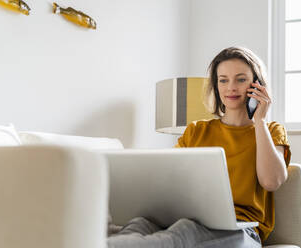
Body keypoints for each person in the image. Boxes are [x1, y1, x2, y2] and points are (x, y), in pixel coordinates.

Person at [107, 47, 291, 248]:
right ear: (216, 84)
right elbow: (167, 179)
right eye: (223, 80)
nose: (231, 87)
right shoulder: (197, 130)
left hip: (240, 229)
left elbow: (271, 181)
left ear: (257, 86)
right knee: (139, 224)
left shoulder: (271, 130)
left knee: (183, 232)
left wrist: (260, 121)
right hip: (187, 218)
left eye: (240, 79)